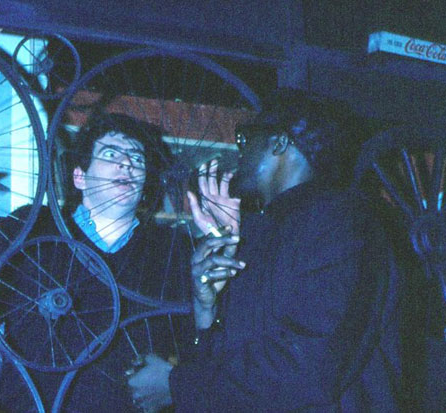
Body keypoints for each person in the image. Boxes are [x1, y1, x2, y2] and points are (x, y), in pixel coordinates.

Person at [128, 89, 402, 411]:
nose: (238, 150)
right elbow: (235, 355)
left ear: (279, 142)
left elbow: (311, 367)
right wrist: (207, 308)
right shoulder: (268, 230)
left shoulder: (342, 222)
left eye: (244, 138)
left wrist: (177, 384)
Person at [0, 111, 238, 411]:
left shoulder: (173, 251)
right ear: (79, 176)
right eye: (111, 153)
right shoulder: (29, 229)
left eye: (137, 158)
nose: (127, 163)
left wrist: (230, 241)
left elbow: (203, 347)